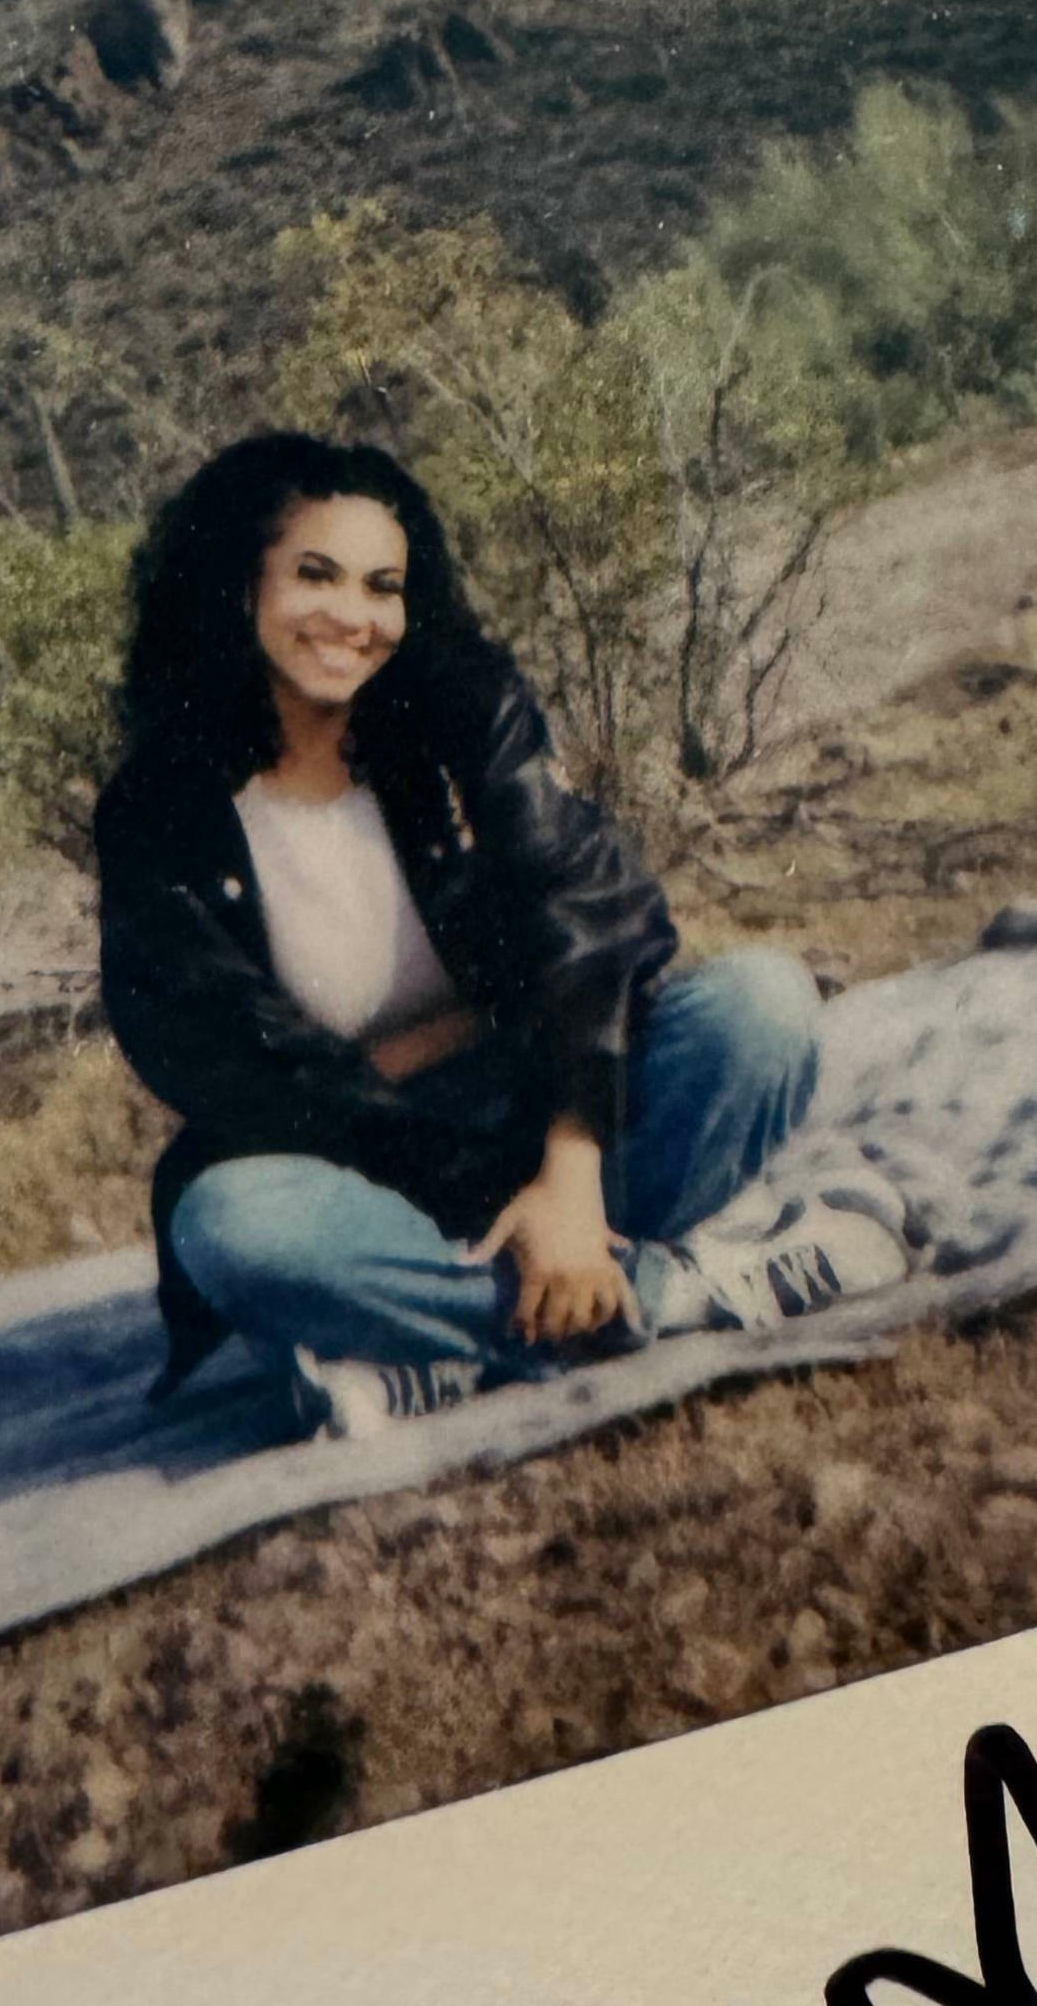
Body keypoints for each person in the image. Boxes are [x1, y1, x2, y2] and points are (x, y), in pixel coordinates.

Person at [92, 431, 900, 1438]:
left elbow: (594, 915)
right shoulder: (158, 809)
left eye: (383, 587)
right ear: (236, 583)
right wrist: (510, 1194)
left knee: (763, 1003)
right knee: (231, 1226)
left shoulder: (461, 716)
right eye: (315, 575)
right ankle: (674, 1290)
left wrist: (568, 1174)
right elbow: (226, 1063)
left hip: (548, 1099)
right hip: (360, 1159)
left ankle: (442, 1347)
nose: (353, 617)